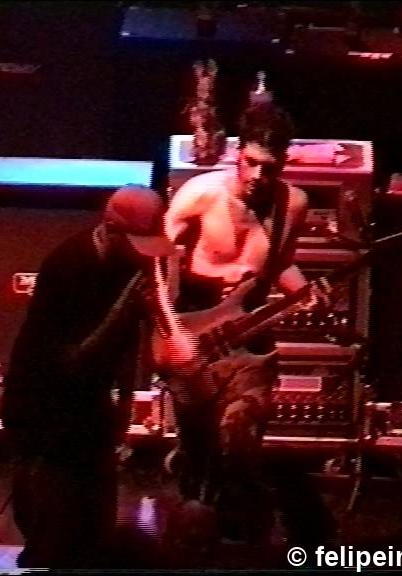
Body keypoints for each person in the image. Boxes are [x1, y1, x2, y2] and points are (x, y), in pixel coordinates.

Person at [158, 96, 335, 549]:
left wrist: (306, 293)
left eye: (269, 168)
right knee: (200, 453)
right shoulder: (200, 195)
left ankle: (245, 536)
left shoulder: (293, 205)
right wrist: (170, 331)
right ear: (238, 154)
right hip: (197, 334)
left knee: (240, 433)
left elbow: (282, 264)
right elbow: (153, 262)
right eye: (251, 163)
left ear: (283, 164)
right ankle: (197, 526)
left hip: (251, 341)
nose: (258, 175)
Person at [0, 185, 176, 568]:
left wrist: (126, 404)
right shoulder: (67, 266)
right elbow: (69, 361)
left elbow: (129, 341)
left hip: (90, 402)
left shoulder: (130, 264)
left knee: (96, 522)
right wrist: (122, 310)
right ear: (110, 230)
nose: (143, 253)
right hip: (44, 404)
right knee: (51, 525)